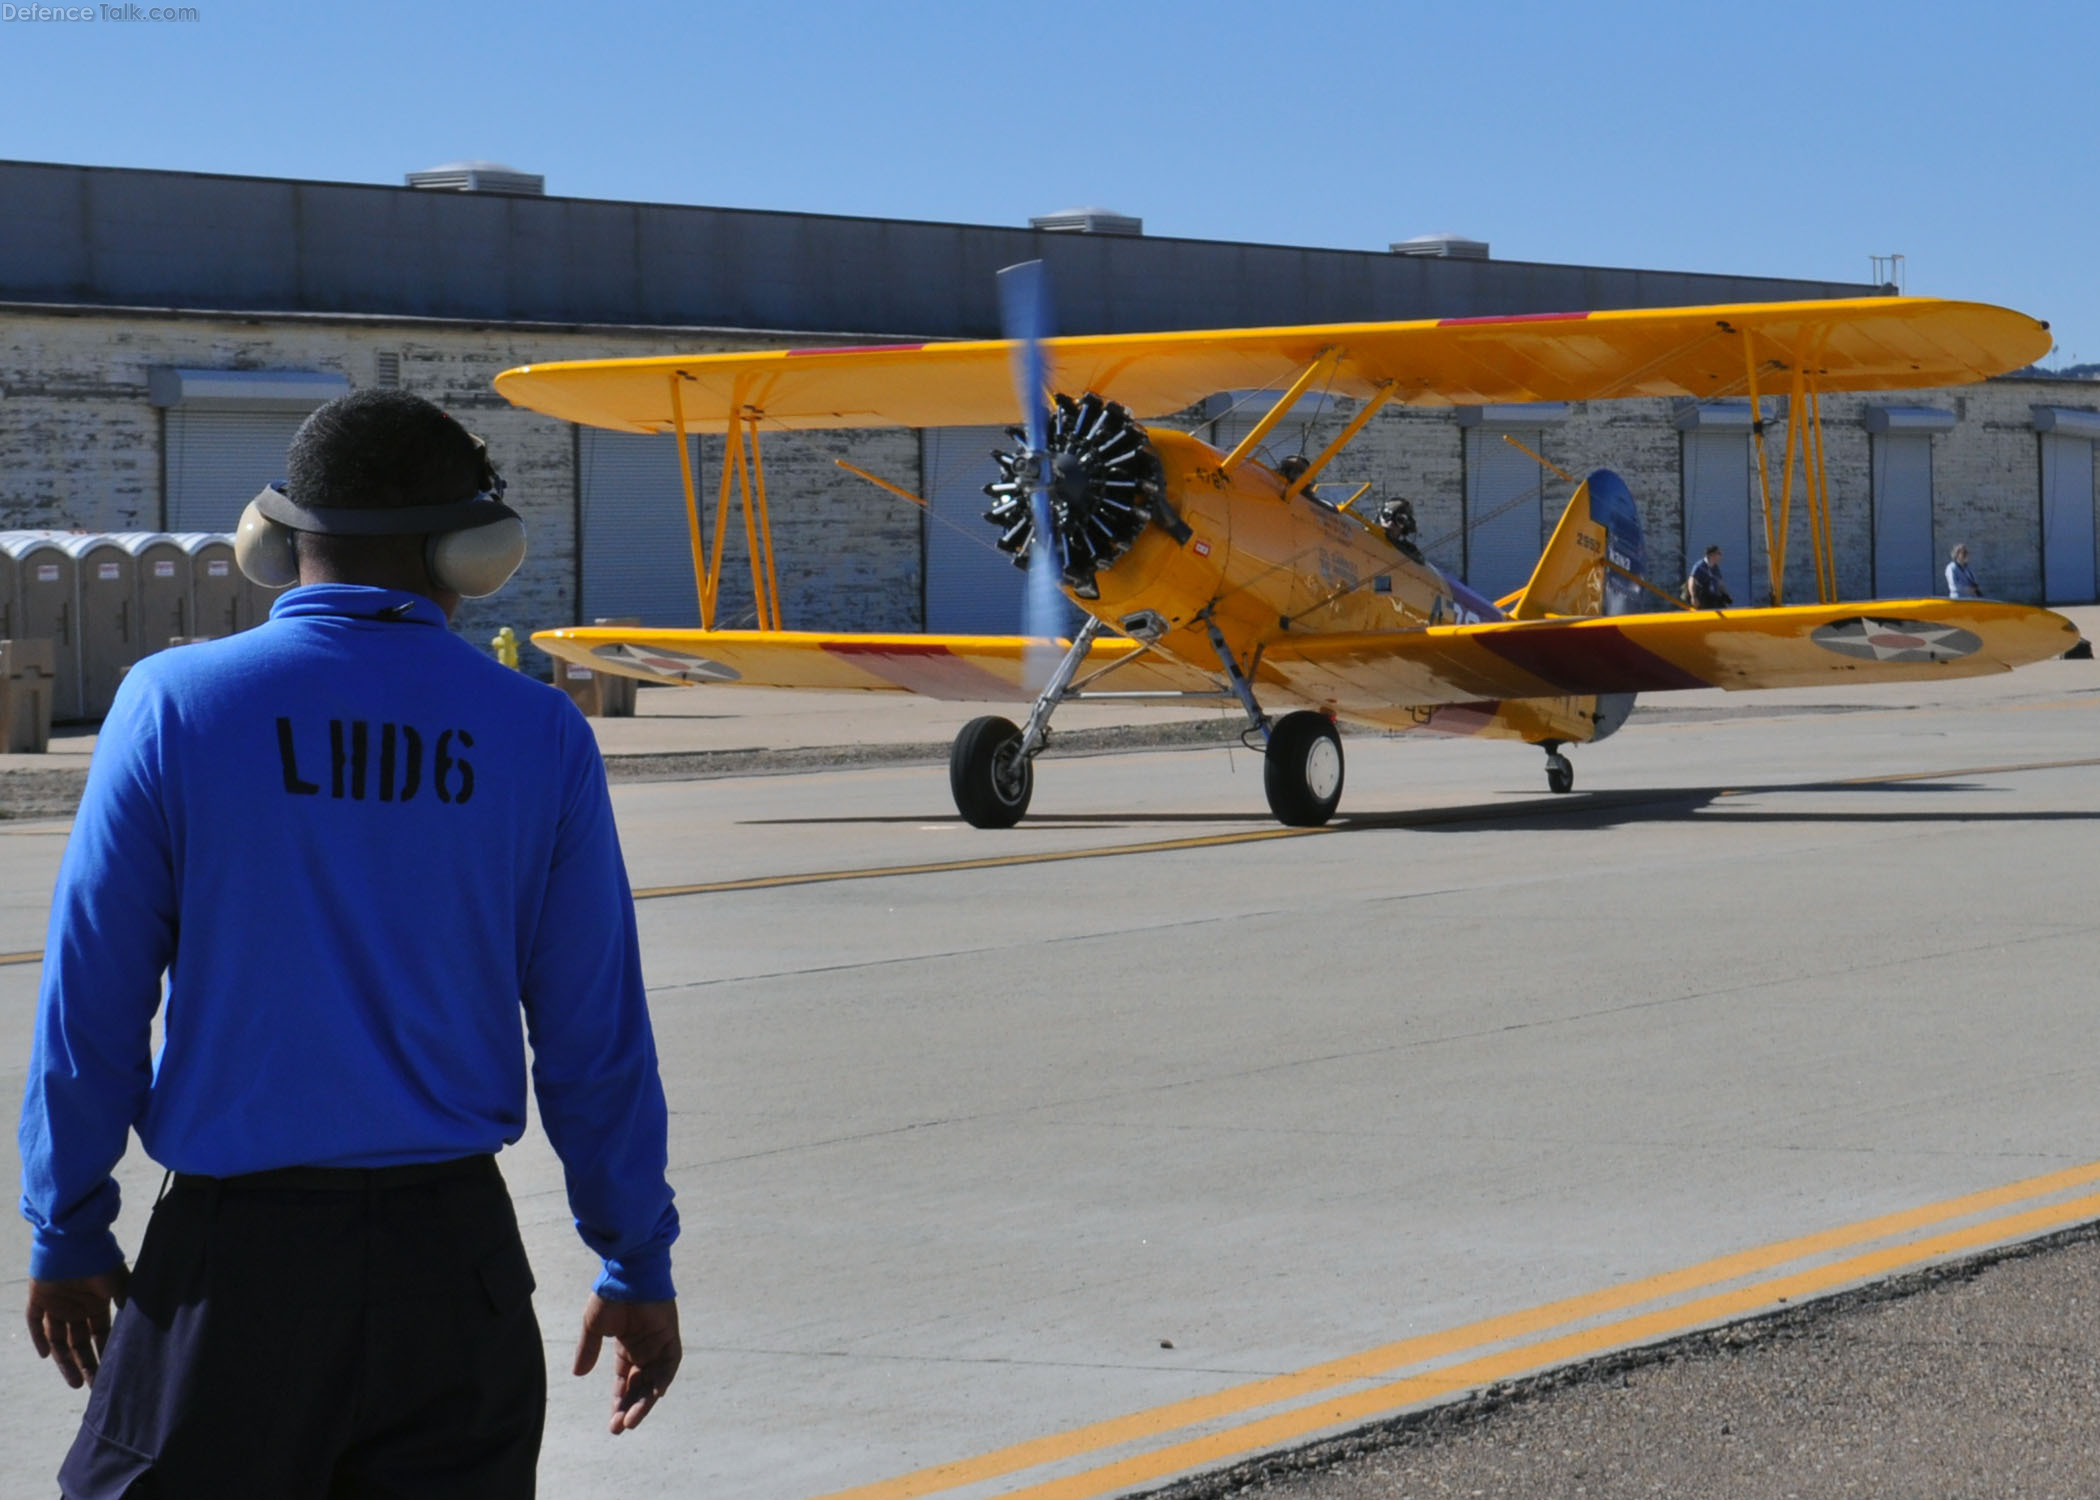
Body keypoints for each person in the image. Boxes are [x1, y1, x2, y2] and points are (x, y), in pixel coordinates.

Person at [18, 390, 680, 1497]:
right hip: (455, 1272)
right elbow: (592, 1038)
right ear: (476, 552)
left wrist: (68, 1225)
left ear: (273, 537)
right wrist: (634, 1256)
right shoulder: (540, 734)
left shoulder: (173, 706)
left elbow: (93, 995)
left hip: (236, 1270)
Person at [1688, 544, 1733, 609]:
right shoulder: (1699, 566)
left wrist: (1727, 595)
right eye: (1719, 553)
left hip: (1714, 597)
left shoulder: (1715, 567)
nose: (1721, 556)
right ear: (1712, 555)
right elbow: (1691, 581)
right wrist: (1693, 597)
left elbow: (1720, 583)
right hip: (1703, 598)